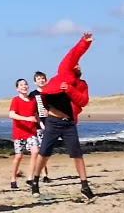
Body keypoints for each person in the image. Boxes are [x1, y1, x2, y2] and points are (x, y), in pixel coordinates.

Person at [37, 34, 96, 200]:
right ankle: (35, 181)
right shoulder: (63, 72)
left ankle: (85, 186)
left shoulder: (82, 84)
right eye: (75, 64)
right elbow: (73, 53)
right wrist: (84, 42)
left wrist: (69, 89)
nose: (77, 65)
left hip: (69, 123)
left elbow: (83, 101)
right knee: (44, 153)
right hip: (53, 121)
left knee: (77, 155)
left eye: (79, 65)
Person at [7, 78, 40, 190]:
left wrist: (43, 126)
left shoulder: (32, 100)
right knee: (19, 156)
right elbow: (11, 115)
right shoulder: (15, 100)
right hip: (19, 131)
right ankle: (13, 178)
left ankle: (30, 178)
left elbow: (35, 115)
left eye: (25, 84)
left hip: (31, 132)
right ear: (17, 89)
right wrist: (26, 119)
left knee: (35, 151)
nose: (24, 86)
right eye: (21, 85)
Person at [25, 70, 51, 194]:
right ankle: (42, 174)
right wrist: (39, 122)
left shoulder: (50, 91)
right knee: (41, 149)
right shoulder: (33, 94)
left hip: (50, 122)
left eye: (43, 78)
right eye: (39, 79)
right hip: (39, 124)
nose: (41, 80)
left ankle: (45, 174)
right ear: (35, 82)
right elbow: (32, 110)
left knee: (45, 149)